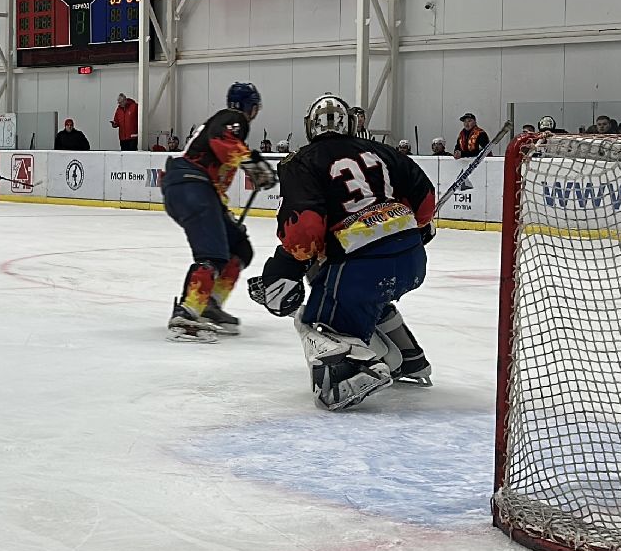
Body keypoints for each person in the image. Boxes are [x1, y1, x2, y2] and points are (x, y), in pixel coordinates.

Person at [247, 94, 437, 411]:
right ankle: (409, 358)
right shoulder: (383, 151)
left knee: (314, 318)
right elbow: (425, 202)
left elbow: (304, 231)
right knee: (365, 297)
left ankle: (352, 369)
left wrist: (283, 273)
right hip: (412, 260)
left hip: (361, 269)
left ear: (310, 126)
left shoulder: (301, 161)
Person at [160, 82, 271, 343]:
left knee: (239, 247)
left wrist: (224, 215)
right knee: (213, 254)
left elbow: (216, 176)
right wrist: (253, 165)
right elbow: (222, 141)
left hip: (195, 190)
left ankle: (209, 303)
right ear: (251, 107)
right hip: (191, 185)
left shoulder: (222, 122)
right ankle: (188, 311)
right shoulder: (233, 118)